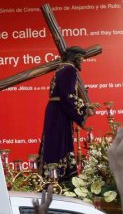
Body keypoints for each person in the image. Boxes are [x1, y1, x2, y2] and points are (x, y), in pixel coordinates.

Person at [39, 46, 95, 182]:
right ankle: (61, 178)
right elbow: (68, 96)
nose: (82, 61)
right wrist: (84, 109)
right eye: (81, 58)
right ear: (75, 58)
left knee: (53, 143)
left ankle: (50, 175)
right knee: (60, 144)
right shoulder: (70, 70)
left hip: (54, 110)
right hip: (60, 113)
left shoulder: (60, 69)